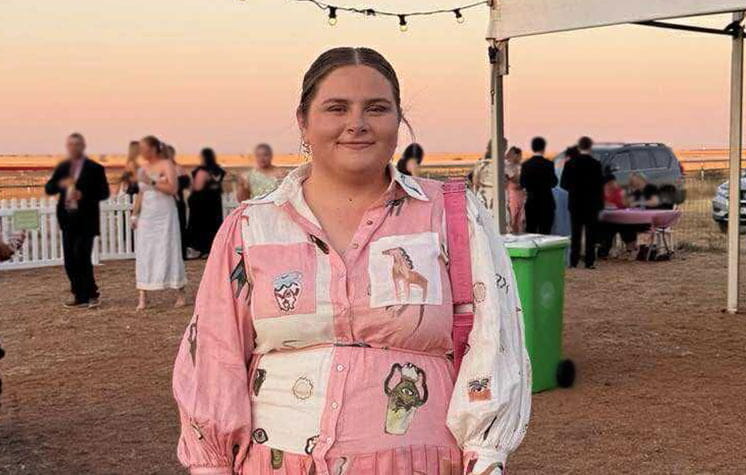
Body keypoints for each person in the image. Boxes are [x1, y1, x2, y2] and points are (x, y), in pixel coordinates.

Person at [172, 47, 531, 475]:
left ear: (399, 122)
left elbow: (493, 343)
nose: (356, 124)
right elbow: (215, 355)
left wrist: (486, 457)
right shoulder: (252, 227)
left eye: (376, 109)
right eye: (336, 108)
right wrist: (211, 464)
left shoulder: (452, 214)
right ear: (304, 121)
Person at [44, 133, 110, 308]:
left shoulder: (95, 168)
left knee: (82, 255)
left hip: (86, 220)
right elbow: (49, 188)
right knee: (70, 260)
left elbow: (104, 193)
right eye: (70, 144)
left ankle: (91, 294)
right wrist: (61, 185)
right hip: (68, 219)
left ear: (83, 146)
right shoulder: (63, 168)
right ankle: (79, 295)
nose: (73, 147)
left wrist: (84, 195)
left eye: (77, 144)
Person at [131, 136, 187, 310]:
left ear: (153, 148)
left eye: (144, 148)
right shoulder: (143, 168)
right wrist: (134, 214)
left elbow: (172, 189)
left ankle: (179, 291)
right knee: (145, 252)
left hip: (164, 214)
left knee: (168, 248)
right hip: (147, 215)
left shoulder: (166, 164)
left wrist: (153, 182)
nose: (141, 152)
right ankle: (143, 294)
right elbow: (140, 193)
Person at [561, 136, 603, 269]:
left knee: (576, 232)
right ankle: (589, 261)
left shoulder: (570, 163)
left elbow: (563, 184)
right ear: (590, 147)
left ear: (579, 147)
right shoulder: (596, 164)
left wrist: (574, 189)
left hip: (575, 202)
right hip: (591, 203)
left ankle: (574, 261)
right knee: (591, 233)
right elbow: (599, 185)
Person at [187, 147, 226, 258]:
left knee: (200, 226)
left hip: (201, 204)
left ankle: (200, 248)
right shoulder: (218, 170)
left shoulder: (202, 171)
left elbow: (198, 187)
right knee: (213, 226)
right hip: (214, 202)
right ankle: (210, 249)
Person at [520, 136, 557, 234]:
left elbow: (522, 183)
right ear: (543, 148)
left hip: (531, 203)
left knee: (531, 232)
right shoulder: (549, 164)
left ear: (532, 148)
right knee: (546, 233)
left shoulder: (526, 165)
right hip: (546, 202)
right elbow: (554, 182)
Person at [597, 174, 640, 258]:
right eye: (610, 183)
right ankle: (604, 250)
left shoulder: (619, 191)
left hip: (620, 218)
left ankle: (630, 248)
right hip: (606, 220)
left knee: (628, 226)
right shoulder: (600, 192)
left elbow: (626, 205)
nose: (613, 184)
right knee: (606, 229)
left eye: (613, 182)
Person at [165, 144, 192, 260]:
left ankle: (181, 252)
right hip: (169, 200)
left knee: (180, 226)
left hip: (177, 201)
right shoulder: (176, 168)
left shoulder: (178, 168)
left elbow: (187, 184)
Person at [505, 146, 525, 234]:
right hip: (512, 194)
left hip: (521, 195)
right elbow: (515, 179)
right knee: (513, 217)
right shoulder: (507, 166)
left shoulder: (520, 166)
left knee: (520, 219)